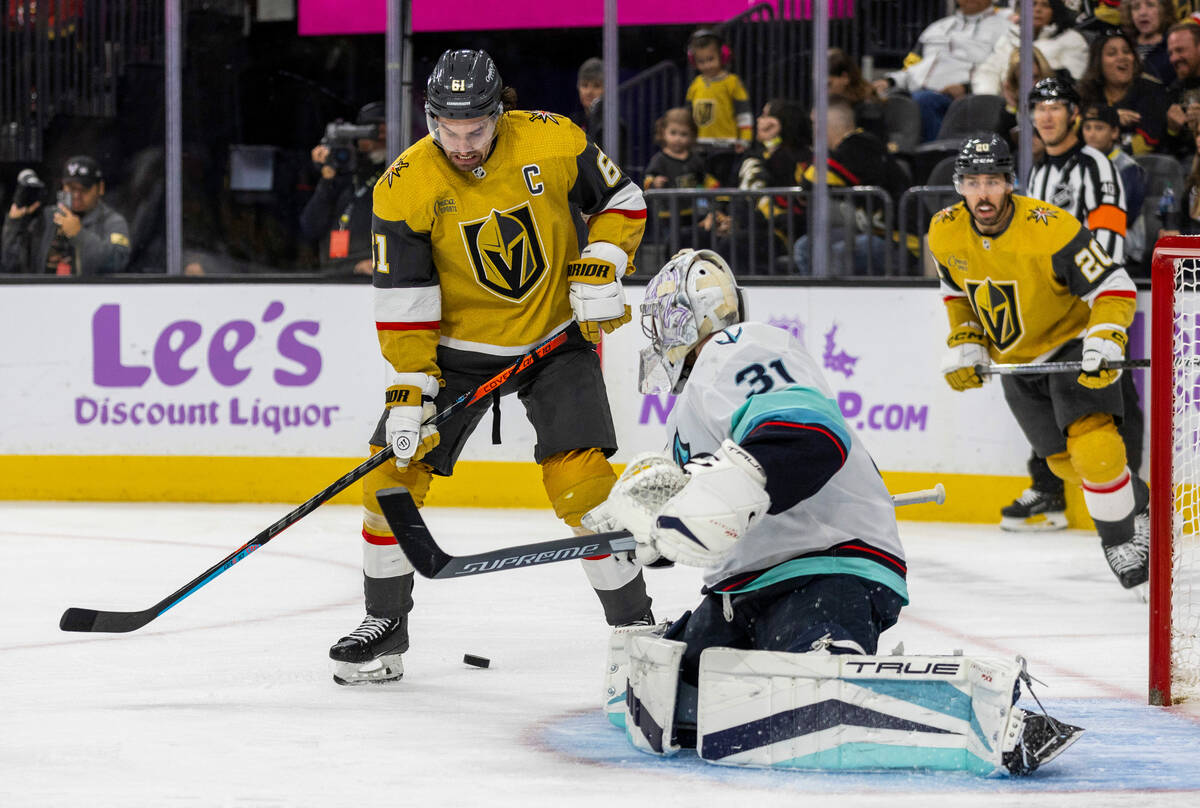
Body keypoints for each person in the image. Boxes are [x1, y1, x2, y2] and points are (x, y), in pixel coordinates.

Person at [584, 248, 1081, 775]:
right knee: (671, 700)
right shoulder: (688, 408)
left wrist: (727, 490)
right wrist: (647, 530)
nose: (659, 335)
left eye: (663, 319)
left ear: (690, 315)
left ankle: (976, 712)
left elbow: (809, 439)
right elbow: (701, 518)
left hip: (826, 565)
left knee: (808, 697)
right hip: (744, 588)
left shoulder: (736, 347)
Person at [327, 49, 653, 686]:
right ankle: (385, 627)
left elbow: (624, 197)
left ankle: (637, 633)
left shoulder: (553, 139)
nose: (462, 143)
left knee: (585, 490)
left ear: (498, 112)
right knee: (387, 481)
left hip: (555, 341)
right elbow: (405, 299)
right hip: (457, 357)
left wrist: (606, 257)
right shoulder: (404, 187)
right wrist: (411, 386)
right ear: (430, 118)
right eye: (447, 130)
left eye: (475, 129)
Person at [930, 135, 1149, 593]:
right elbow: (958, 293)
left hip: (1071, 345)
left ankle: (1122, 540)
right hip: (1019, 361)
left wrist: (1105, 337)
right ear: (959, 186)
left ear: (1010, 183)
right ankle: (1139, 504)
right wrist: (969, 341)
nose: (983, 193)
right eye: (972, 182)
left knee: (1095, 448)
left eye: (992, 181)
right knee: (1066, 465)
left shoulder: (1052, 228)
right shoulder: (944, 230)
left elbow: (1115, 284)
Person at [873, 0, 1009, 142]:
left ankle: (937, 155)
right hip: (918, 92)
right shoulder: (936, 28)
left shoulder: (1005, 29)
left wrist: (966, 87)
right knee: (876, 100)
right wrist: (889, 81)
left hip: (967, 97)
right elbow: (913, 68)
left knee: (923, 101)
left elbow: (1004, 72)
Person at [792, 96, 894, 276]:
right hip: (868, 231)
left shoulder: (861, 144)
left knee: (840, 250)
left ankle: (832, 303)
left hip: (895, 239)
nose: (813, 130)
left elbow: (808, 183)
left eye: (815, 123)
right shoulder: (852, 147)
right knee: (805, 246)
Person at [299, 102, 389, 276]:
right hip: (334, 277)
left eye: (385, 132)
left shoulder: (396, 177)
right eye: (372, 132)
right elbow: (310, 227)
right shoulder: (345, 175)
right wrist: (327, 178)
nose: (380, 137)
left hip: (373, 278)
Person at [2, 155, 130, 275]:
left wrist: (79, 235)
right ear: (63, 186)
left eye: (84, 189)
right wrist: (15, 223)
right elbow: (11, 265)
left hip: (89, 296)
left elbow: (118, 262)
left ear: (100, 188)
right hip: (44, 294)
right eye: (71, 188)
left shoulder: (113, 222)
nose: (76, 195)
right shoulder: (48, 218)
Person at [1077, 27, 1169, 155]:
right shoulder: (1086, 92)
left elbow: (1148, 142)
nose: (1122, 57)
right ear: (1098, 62)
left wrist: (1111, 160)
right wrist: (1112, 116)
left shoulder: (1151, 89)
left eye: (1127, 51)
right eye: (1112, 53)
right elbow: (1075, 131)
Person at [971, 0, 1089, 97]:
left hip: (1047, 104)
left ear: (1055, 10)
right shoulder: (1007, 37)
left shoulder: (1071, 39)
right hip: (1005, 104)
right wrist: (989, 98)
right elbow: (988, 71)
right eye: (1032, 4)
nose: (1037, 10)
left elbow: (1075, 82)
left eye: (1045, 5)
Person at [685, 29, 753, 185]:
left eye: (710, 59)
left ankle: (723, 209)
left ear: (723, 56)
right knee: (703, 184)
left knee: (724, 184)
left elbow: (743, 113)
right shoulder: (695, 84)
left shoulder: (732, 82)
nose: (707, 65)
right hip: (700, 146)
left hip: (727, 146)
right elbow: (688, 116)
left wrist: (745, 140)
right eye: (701, 61)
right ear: (693, 61)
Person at [573, 57, 629, 164]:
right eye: (584, 85)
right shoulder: (573, 121)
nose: (589, 92)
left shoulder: (613, 126)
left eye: (596, 86)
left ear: (607, 90)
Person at [827, 47, 887, 143]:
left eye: (829, 84)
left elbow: (870, 147)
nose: (824, 91)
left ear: (844, 78)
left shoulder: (869, 109)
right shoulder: (827, 103)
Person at [1163, 21, 1200, 158]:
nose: (1174, 58)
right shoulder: (1173, 90)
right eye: (1171, 53)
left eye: (1180, 50)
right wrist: (1172, 130)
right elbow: (1170, 153)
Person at [1122, 0, 1176, 84]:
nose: (1142, 12)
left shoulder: (1174, 47)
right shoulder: (1124, 45)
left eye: (1150, 5)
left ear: (1163, 10)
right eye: (1136, 7)